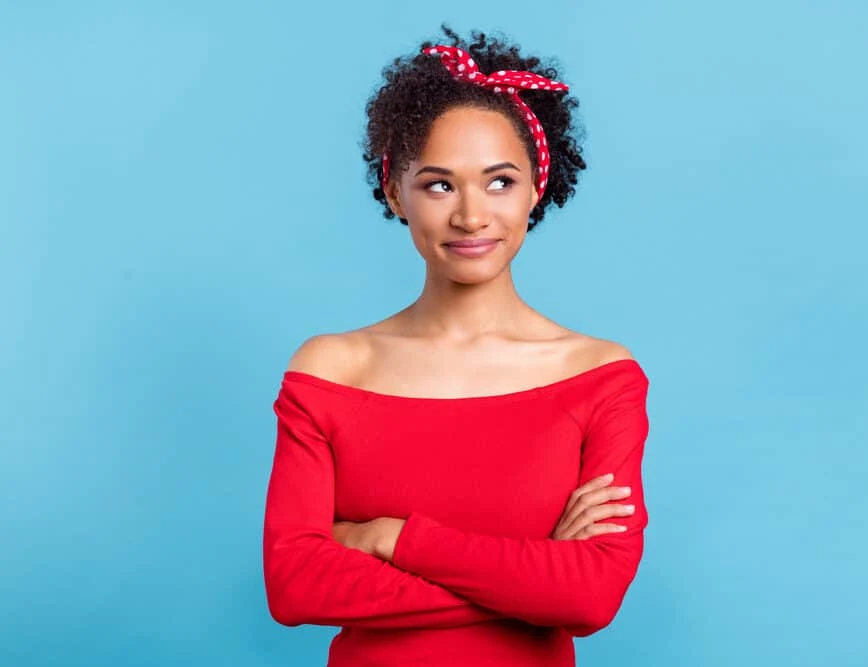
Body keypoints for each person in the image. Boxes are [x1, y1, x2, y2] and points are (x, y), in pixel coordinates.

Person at [262, 26, 651, 666]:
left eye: (499, 181)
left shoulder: (601, 377)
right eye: (439, 185)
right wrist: (535, 580)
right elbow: (294, 584)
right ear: (396, 194)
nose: (472, 216)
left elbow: (591, 597)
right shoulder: (331, 369)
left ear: (536, 189)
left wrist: (390, 538)